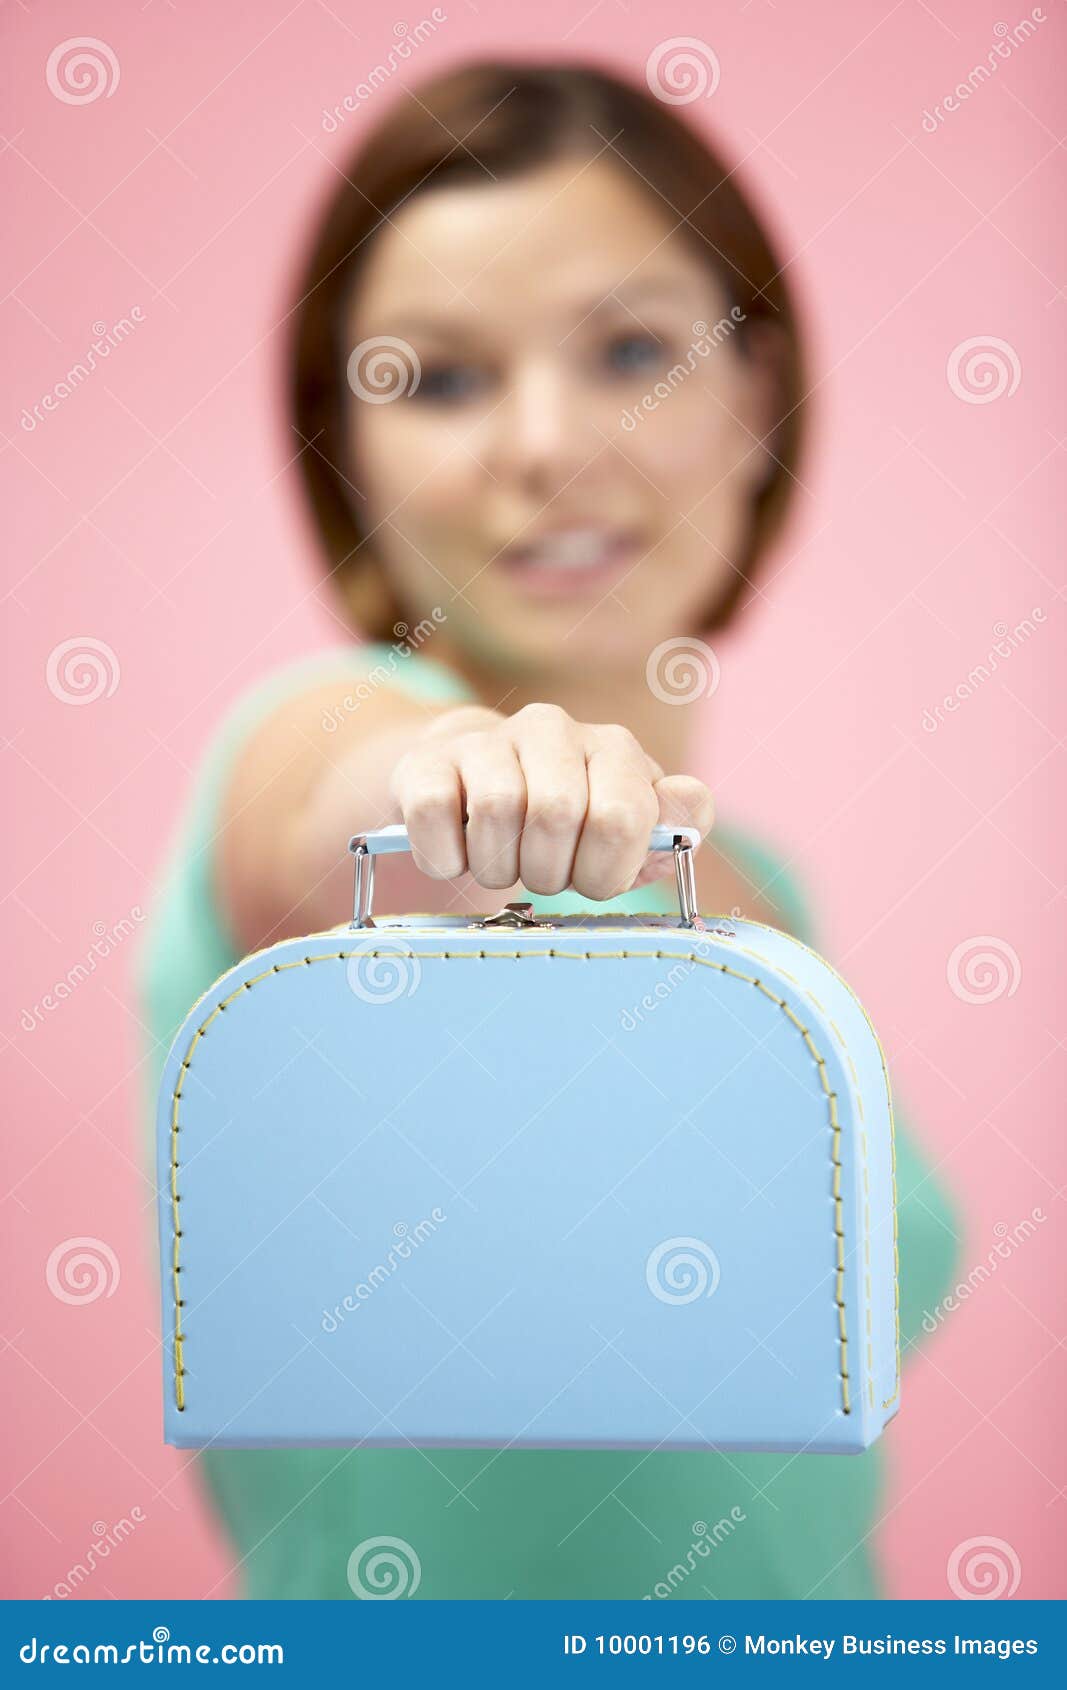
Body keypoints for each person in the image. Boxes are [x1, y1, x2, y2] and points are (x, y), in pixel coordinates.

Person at [138, 60, 960, 1600]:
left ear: (756, 395)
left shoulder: (764, 893)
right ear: (344, 443)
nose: (546, 447)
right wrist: (457, 777)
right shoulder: (318, 731)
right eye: (438, 379)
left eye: (633, 352)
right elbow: (334, 809)